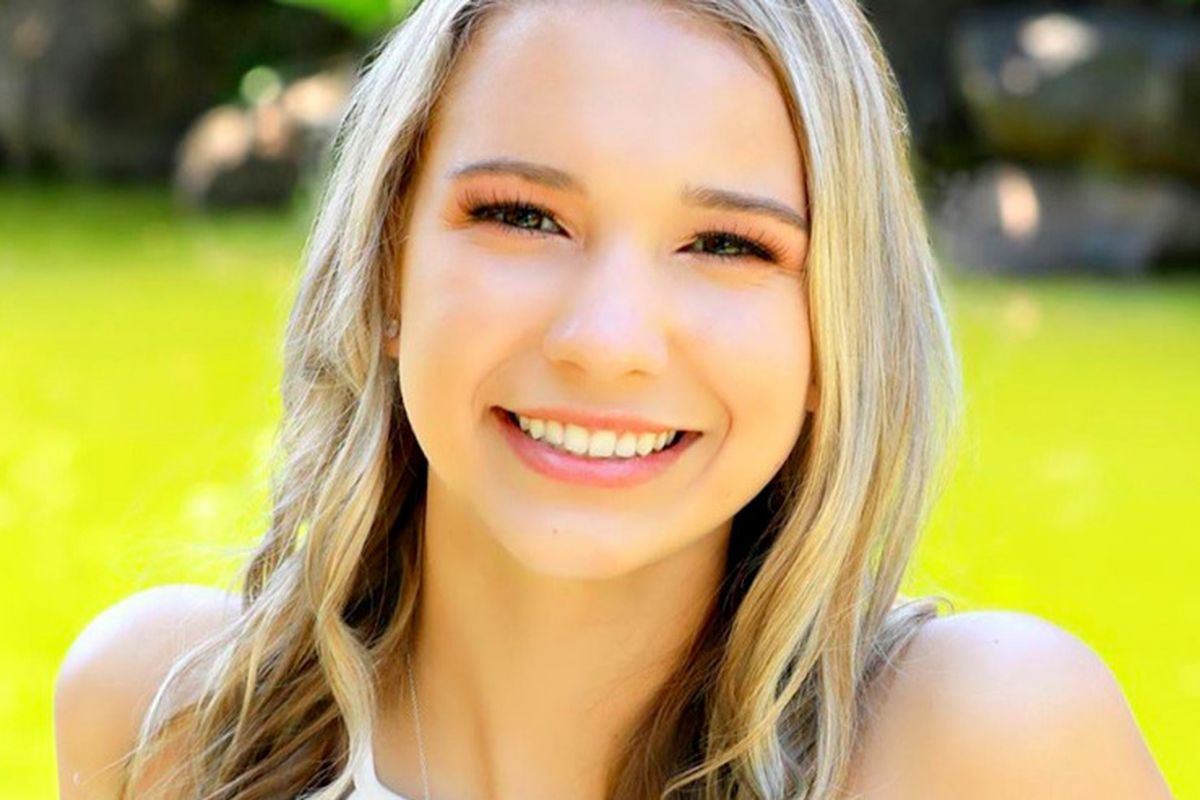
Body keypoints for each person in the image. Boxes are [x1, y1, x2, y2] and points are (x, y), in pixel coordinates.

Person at [53, 0, 1174, 798]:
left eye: (728, 243)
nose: (606, 341)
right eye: (522, 216)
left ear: (834, 334)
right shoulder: (172, 725)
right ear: (387, 264)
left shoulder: (987, 740)